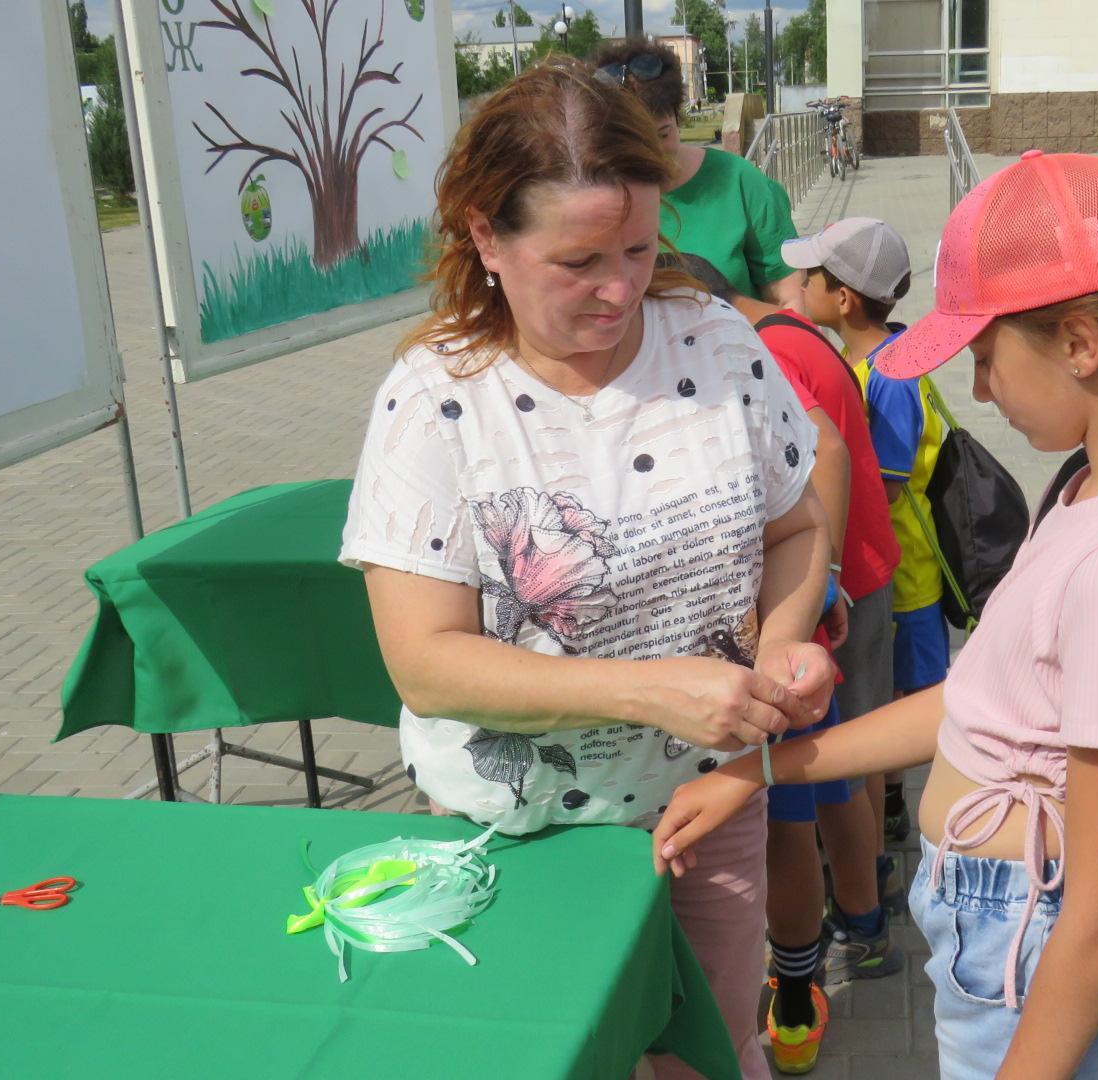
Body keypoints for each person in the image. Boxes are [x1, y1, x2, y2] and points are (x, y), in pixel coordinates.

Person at [651, 151, 1098, 1079]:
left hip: (1034, 941)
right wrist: (760, 771)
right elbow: (977, 700)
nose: (981, 390)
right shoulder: (1087, 495)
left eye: (987, 357)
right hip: (1008, 925)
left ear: (1079, 342)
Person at [337, 61, 835, 1080]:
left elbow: (797, 527)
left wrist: (780, 656)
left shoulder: (716, 337)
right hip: (521, 838)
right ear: (486, 238)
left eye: (642, 249)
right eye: (577, 262)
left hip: (709, 803)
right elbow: (427, 665)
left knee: (708, 1053)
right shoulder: (437, 397)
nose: (619, 290)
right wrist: (650, 692)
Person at [671, 252, 904, 1072]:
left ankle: (805, 981)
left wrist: (816, 586)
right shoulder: (782, 336)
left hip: (803, 622)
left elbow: (826, 453)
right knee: (835, 783)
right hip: (822, 610)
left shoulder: (742, 348)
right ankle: (866, 920)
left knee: (790, 821)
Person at [787, 217, 945, 847]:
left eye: (812, 277)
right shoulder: (866, 361)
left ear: (844, 298)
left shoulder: (890, 375)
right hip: (893, 565)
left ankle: (899, 814)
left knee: (900, 697)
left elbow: (887, 483)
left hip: (904, 574)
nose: (800, 284)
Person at [591, 38, 802, 309]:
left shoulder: (738, 181)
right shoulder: (595, 197)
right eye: (635, 141)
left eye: (663, 134)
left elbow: (788, 296)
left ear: (677, 118)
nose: (652, 153)